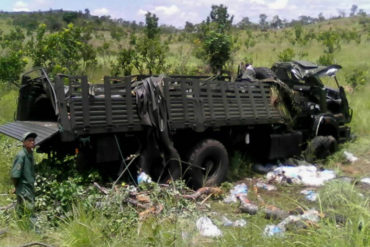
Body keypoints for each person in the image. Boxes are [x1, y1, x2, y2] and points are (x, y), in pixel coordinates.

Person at [10, 132, 37, 221]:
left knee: (21, 208)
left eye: (33, 140)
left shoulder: (30, 154)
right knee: (30, 208)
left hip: (28, 186)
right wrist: (16, 186)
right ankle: (35, 231)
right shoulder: (21, 155)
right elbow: (15, 175)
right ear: (24, 143)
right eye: (30, 140)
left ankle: (20, 226)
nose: (32, 142)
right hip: (24, 188)